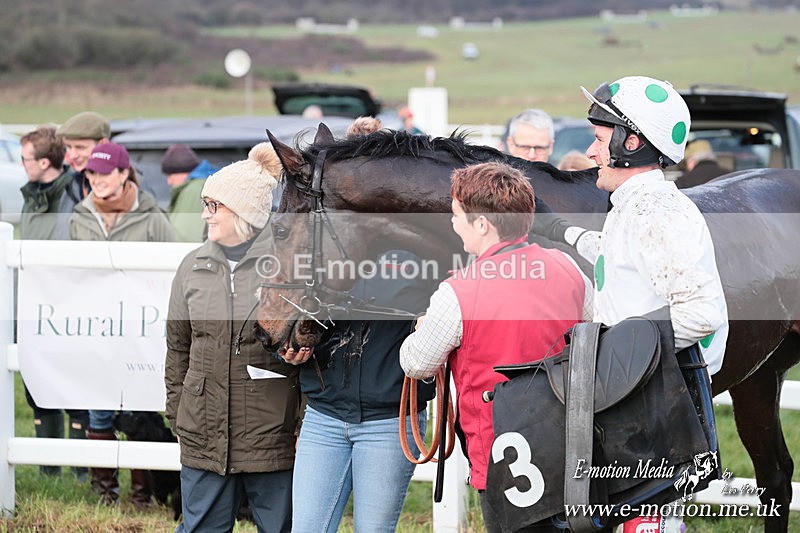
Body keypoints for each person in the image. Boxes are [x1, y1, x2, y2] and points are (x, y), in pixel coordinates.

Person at [531, 76, 729, 531]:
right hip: (638, 395)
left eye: (599, 140)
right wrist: (559, 231)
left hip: (655, 403)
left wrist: (618, 356)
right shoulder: (634, 206)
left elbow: (704, 313)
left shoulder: (658, 212)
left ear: (632, 142)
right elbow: (617, 255)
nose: (591, 152)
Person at [399, 161, 592, 532]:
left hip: (503, 452)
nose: (453, 223)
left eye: (457, 214)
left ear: (483, 224)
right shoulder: (567, 266)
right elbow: (593, 328)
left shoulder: (458, 292)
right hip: (569, 441)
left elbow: (417, 363)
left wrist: (419, 328)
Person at [165, 142, 302, 533]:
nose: (206, 214)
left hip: (270, 437)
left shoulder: (284, 267)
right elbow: (178, 347)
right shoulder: (192, 267)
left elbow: (308, 352)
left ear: (244, 213)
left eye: (214, 206)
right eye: (206, 204)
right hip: (203, 434)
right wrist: (179, 411)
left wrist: (299, 425)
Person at [280, 250, 436, 533]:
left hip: (390, 421)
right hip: (323, 416)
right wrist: (291, 346)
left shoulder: (421, 241)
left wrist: (432, 323)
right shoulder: (327, 238)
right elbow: (294, 312)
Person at [69, 142, 176, 506]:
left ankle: (142, 494)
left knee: (138, 407)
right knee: (98, 407)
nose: (96, 180)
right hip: (98, 327)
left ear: (123, 173)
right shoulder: (80, 216)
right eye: (91, 174)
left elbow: (171, 269)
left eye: (104, 172)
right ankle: (104, 492)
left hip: (139, 330)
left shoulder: (152, 217)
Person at [19, 125, 90, 479]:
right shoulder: (30, 196)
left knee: (75, 391)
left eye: (25, 158)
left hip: (68, 305)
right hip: (33, 306)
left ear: (45, 161)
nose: (22, 165)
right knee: (36, 388)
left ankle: (81, 472)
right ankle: (49, 471)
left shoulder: (75, 194)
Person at [55, 111, 111, 239]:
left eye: (80, 147)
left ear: (103, 144)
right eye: (68, 147)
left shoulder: (129, 187)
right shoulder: (72, 185)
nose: (72, 155)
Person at [160, 143, 219, 242]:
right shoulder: (205, 186)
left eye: (170, 175)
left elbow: (186, 237)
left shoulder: (193, 192)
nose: (169, 182)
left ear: (182, 172)